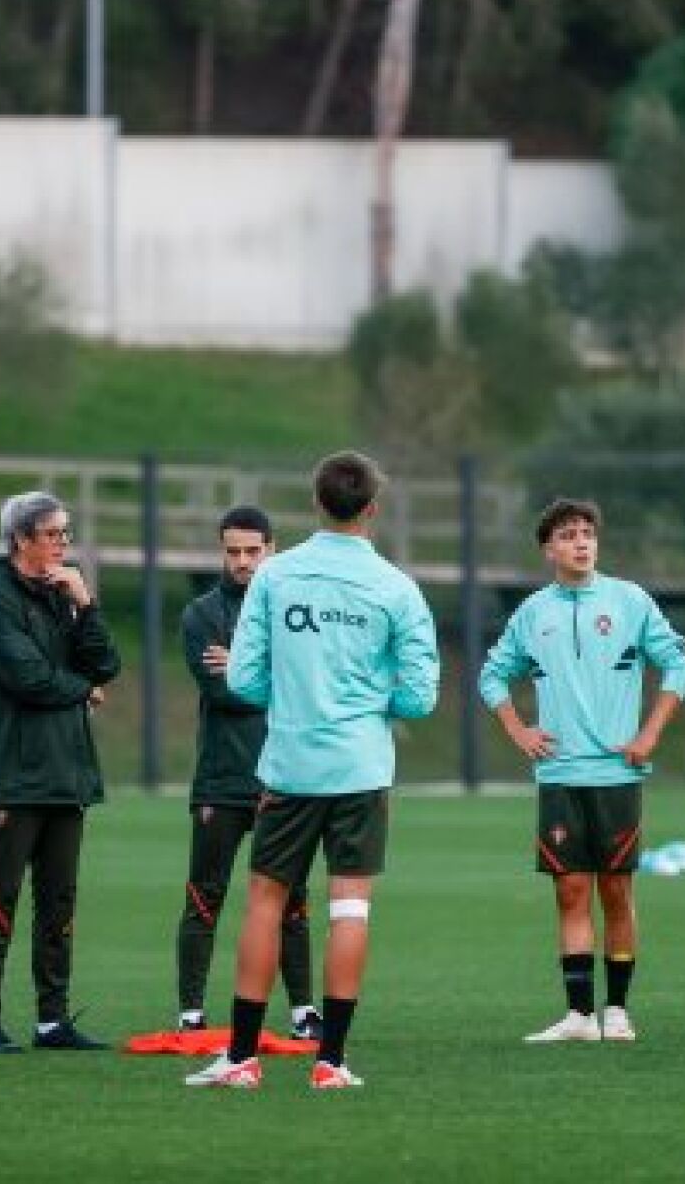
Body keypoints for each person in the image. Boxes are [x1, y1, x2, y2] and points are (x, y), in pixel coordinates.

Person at [186, 451, 439, 1090]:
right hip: (360, 769)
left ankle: (240, 1059)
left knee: (265, 903)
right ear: (373, 509)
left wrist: (299, 691)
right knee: (350, 910)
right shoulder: (397, 588)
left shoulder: (275, 577)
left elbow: (242, 679)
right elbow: (418, 698)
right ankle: (332, 1061)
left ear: (316, 504)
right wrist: (366, 690)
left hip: (290, 767)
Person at [478, 498, 685, 1045]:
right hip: (559, 776)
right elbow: (492, 675)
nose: (581, 542)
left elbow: (679, 663)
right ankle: (579, 1016)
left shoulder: (629, 601)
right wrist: (517, 729)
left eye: (588, 533)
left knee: (617, 891)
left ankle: (617, 1010)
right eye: (569, 534)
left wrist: (649, 734)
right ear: (548, 548)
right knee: (571, 891)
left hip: (617, 777)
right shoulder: (532, 612)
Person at [0, 492, 121, 1054]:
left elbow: (106, 664)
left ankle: (52, 1020)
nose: (63, 544)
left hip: (67, 776)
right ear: (21, 540)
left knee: (59, 905)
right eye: (54, 534)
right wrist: (83, 691)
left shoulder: (62, 597)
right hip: (14, 776)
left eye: (66, 533)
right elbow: (30, 678)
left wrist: (87, 605)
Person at [176, 505, 317, 1038]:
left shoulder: (296, 608)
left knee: (292, 897)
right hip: (222, 778)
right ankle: (191, 1011)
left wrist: (242, 663)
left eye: (252, 551)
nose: (242, 562)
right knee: (202, 895)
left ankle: (304, 1011)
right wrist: (270, 675)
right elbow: (223, 691)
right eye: (232, 551)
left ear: (271, 549)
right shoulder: (200, 615)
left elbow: (303, 683)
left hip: (285, 777)